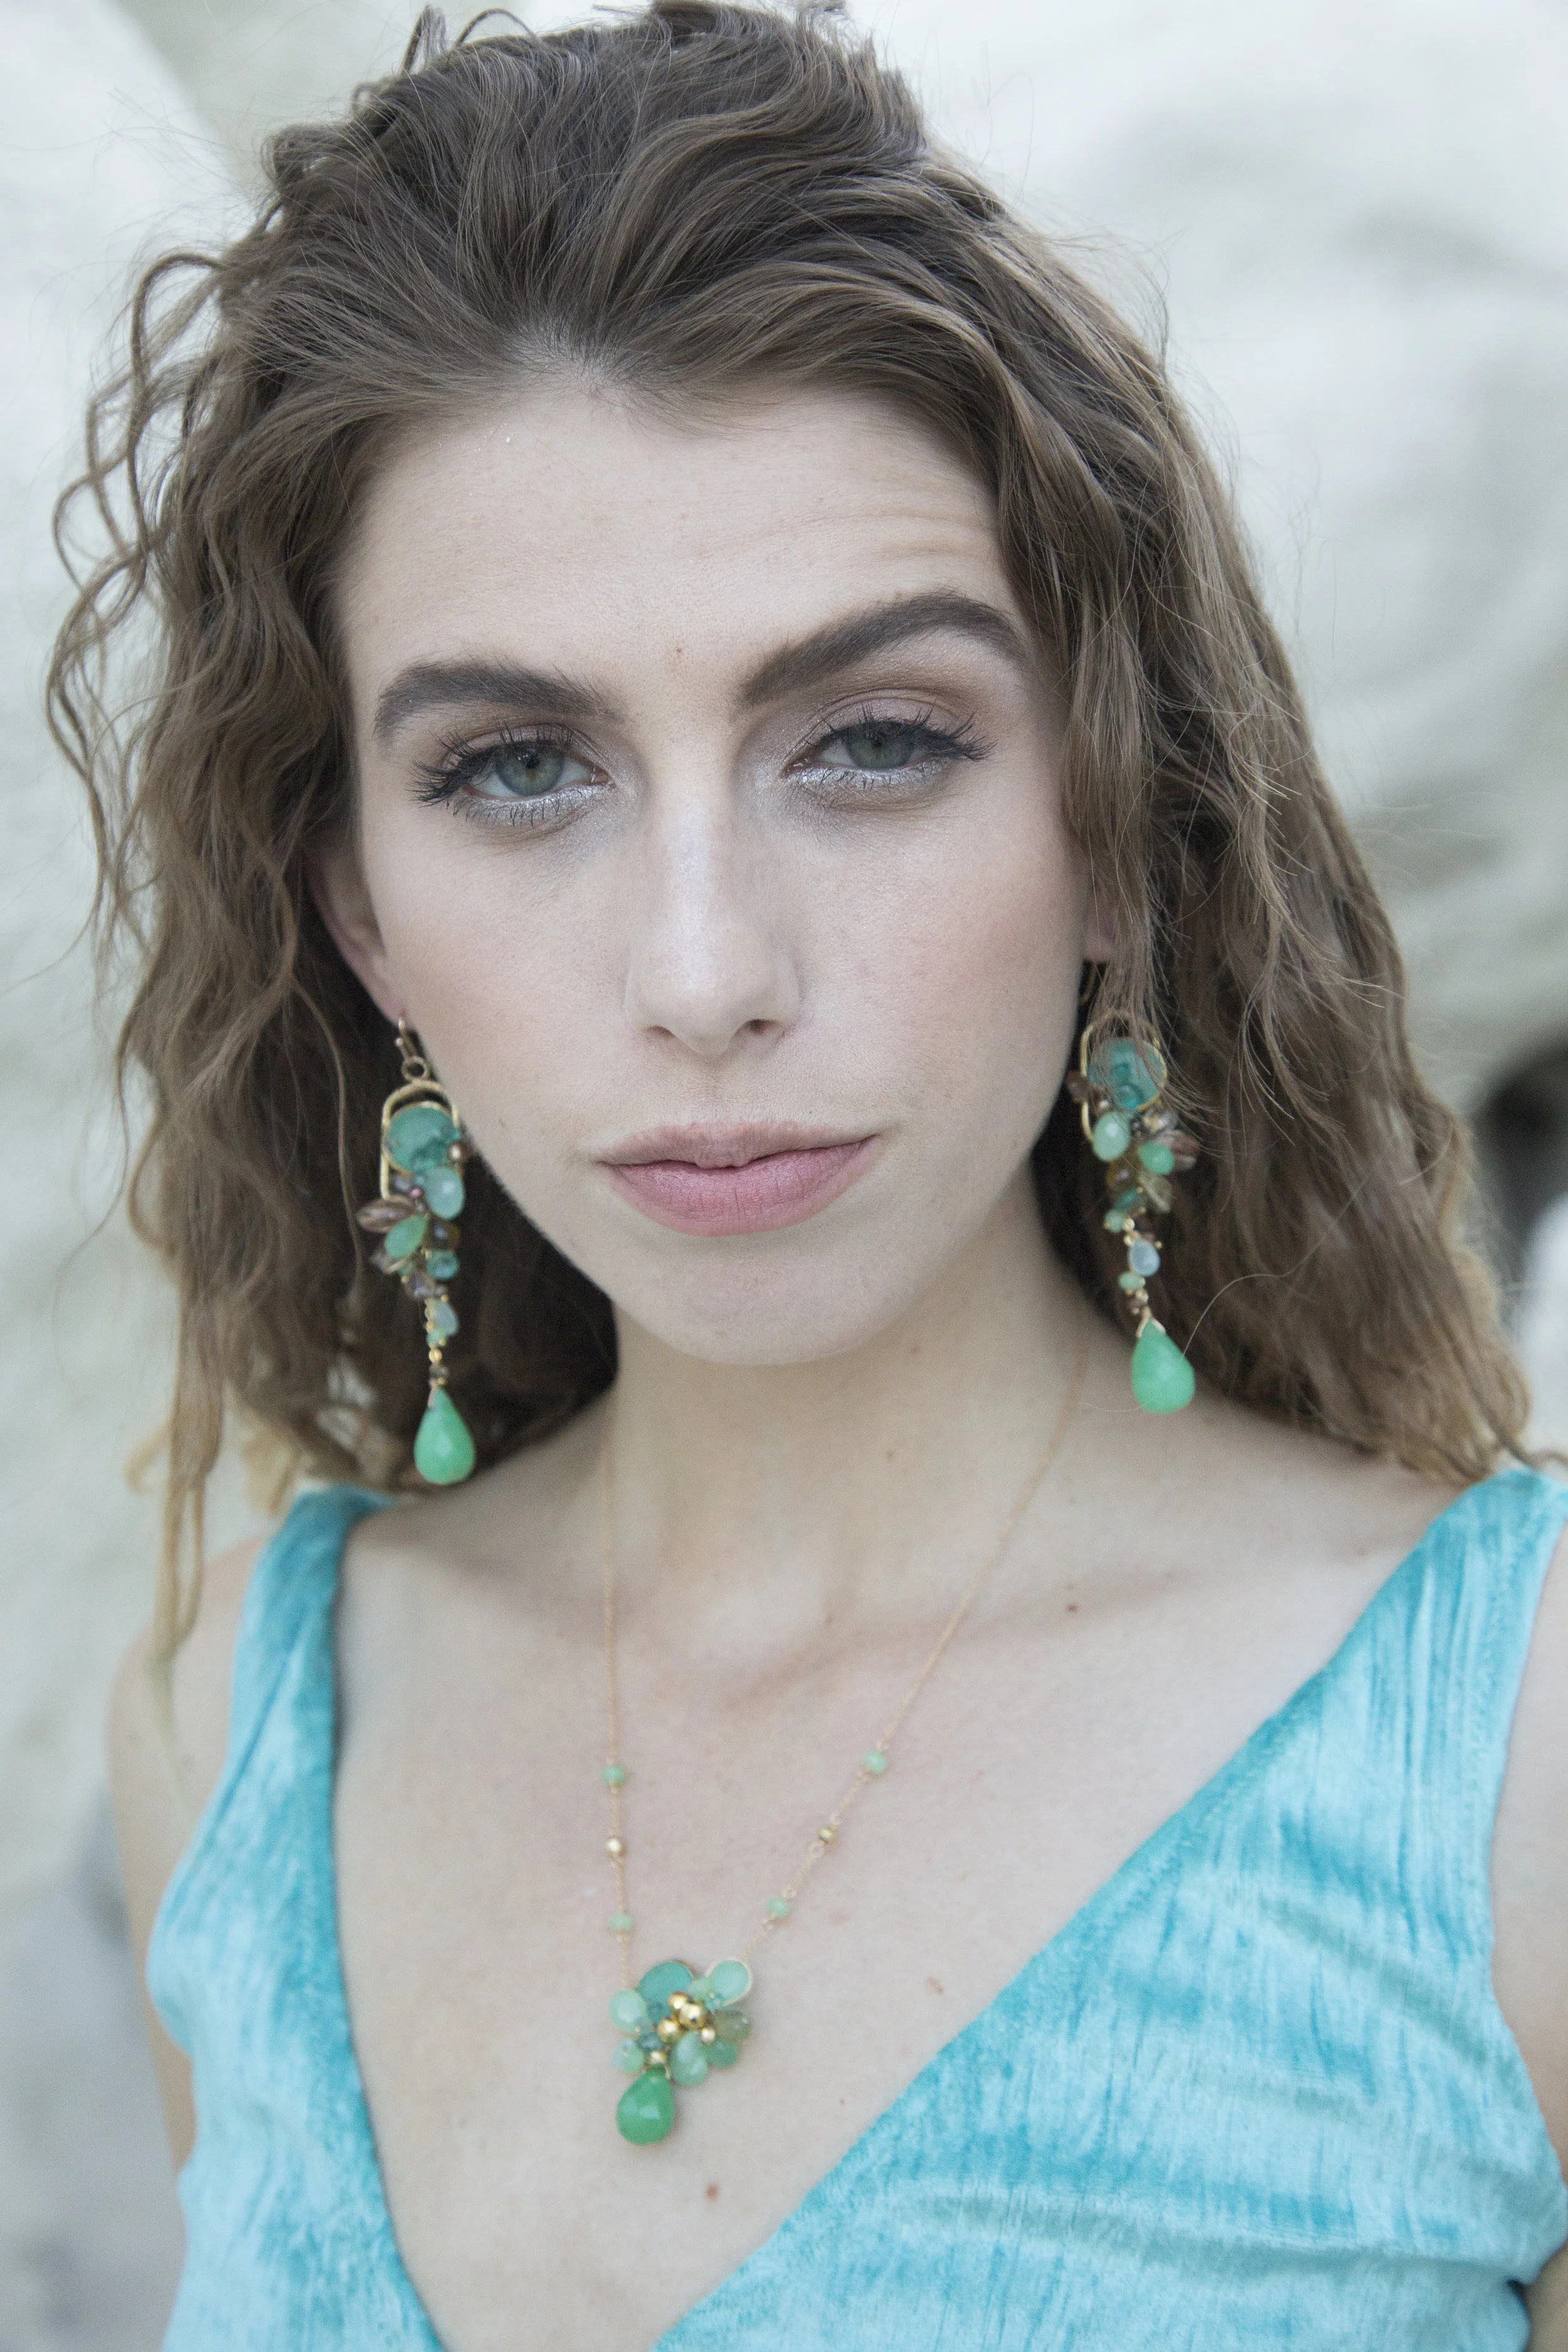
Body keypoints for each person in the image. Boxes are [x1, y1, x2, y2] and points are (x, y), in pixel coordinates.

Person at [49, 4, 1568, 2344]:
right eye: (518, 770)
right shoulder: (239, 1710)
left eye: (872, 742)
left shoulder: (1513, 1750)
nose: (704, 971)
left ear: (1110, 835)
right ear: (357, 907)